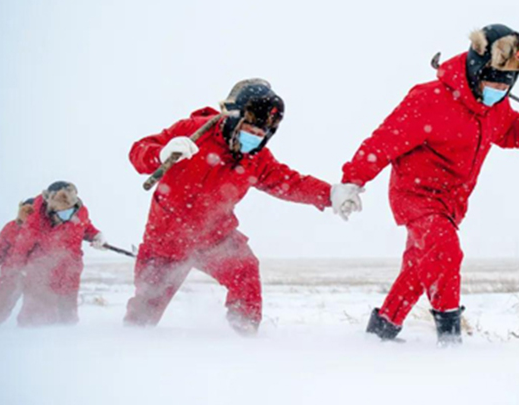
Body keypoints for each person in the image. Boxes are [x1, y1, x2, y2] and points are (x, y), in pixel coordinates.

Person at [335, 24, 519, 344]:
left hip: (453, 202)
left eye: (505, 84)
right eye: (492, 81)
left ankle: (381, 330)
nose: (498, 90)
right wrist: (352, 181)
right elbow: (383, 142)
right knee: (444, 252)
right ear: (475, 69)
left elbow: (509, 133)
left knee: (419, 266)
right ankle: (450, 340)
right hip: (415, 194)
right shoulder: (428, 99)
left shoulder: (495, 107)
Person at [124, 79, 360, 334]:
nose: (254, 138)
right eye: (250, 129)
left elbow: (290, 182)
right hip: (166, 239)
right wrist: (160, 154)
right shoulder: (191, 131)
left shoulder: (256, 159)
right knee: (143, 315)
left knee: (245, 271)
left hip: (215, 237)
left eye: (261, 134)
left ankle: (243, 337)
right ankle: (130, 343)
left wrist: (329, 194)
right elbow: (138, 152)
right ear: (233, 118)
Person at [10, 181, 106, 326]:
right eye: (61, 212)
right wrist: (16, 269)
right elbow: (22, 247)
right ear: (51, 208)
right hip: (41, 270)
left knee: (68, 309)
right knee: (38, 312)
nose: (67, 215)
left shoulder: (80, 211)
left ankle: (67, 333)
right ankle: (30, 333)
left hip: (70, 268)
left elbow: (85, 226)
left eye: (70, 210)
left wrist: (96, 236)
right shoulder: (36, 219)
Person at [0, 198, 35, 325]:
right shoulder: (11, 227)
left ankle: (28, 331)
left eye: (32, 212)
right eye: (25, 211)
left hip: (35, 275)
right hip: (11, 273)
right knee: (1, 305)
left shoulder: (42, 230)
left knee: (33, 309)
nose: (28, 215)